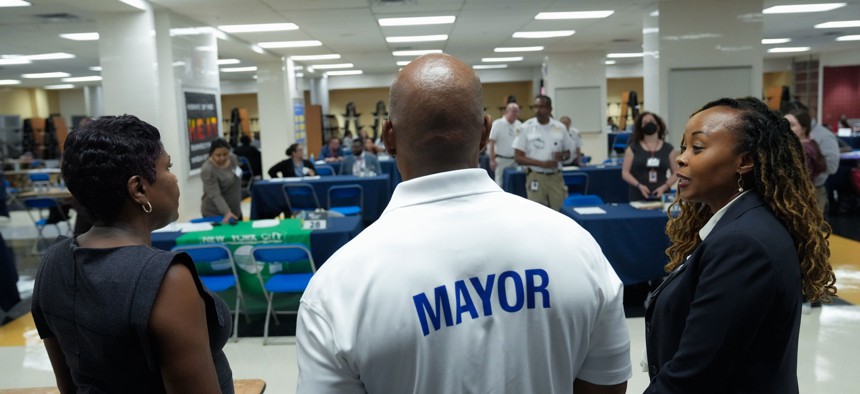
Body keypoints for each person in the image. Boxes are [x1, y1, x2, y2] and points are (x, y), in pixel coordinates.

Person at [296, 54, 631, 394]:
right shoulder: (577, 248)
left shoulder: (336, 289)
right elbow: (608, 385)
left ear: (388, 136)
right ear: (486, 131)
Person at [644, 97, 836, 393]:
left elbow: (692, 378)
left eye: (697, 148)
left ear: (744, 161)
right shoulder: (742, 224)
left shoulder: (742, 244)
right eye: (683, 148)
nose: (681, 158)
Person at [31, 115, 234, 392]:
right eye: (169, 167)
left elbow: (68, 385)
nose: (175, 178)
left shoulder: (53, 262)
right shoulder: (167, 281)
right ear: (139, 189)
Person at [513, 95, 575, 211]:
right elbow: (518, 157)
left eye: (541, 107)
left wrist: (562, 156)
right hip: (535, 176)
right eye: (535, 107)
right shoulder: (526, 127)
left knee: (560, 212)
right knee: (538, 214)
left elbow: (569, 152)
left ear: (550, 109)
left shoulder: (560, 127)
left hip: (555, 177)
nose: (537, 110)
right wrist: (542, 164)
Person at [781, 102, 840, 215]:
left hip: (808, 193)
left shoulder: (814, 141)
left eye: (791, 124)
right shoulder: (803, 142)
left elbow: (831, 167)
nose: (785, 128)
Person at [621, 112, 678, 201]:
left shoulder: (668, 149)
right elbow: (625, 173)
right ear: (640, 127)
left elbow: (676, 173)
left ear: (658, 125)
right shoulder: (632, 148)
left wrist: (665, 186)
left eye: (651, 121)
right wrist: (639, 185)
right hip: (637, 195)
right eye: (645, 122)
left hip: (662, 194)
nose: (648, 123)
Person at [201, 138, 242, 223]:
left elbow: (238, 177)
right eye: (218, 155)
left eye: (225, 154)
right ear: (211, 154)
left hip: (235, 209)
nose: (222, 158)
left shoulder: (233, 158)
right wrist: (226, 212)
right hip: (215, 213)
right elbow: (215, 194)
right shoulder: (208, 169)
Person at [785, 110, 826, 183]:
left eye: (791, 125)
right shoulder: (809, 144)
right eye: (783, 123)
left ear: (803, 129)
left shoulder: (803, 150)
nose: (784, 127)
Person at [487, 102, 521, 185]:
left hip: (515, 160)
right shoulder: (497, 124)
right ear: (507, 111)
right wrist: (492, 160)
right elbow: (492, 142)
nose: (516, 114)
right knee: (500, 183)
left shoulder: (519, 124)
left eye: (517, 111)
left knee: (514, 183)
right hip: (501, 160)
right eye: (513, 111)